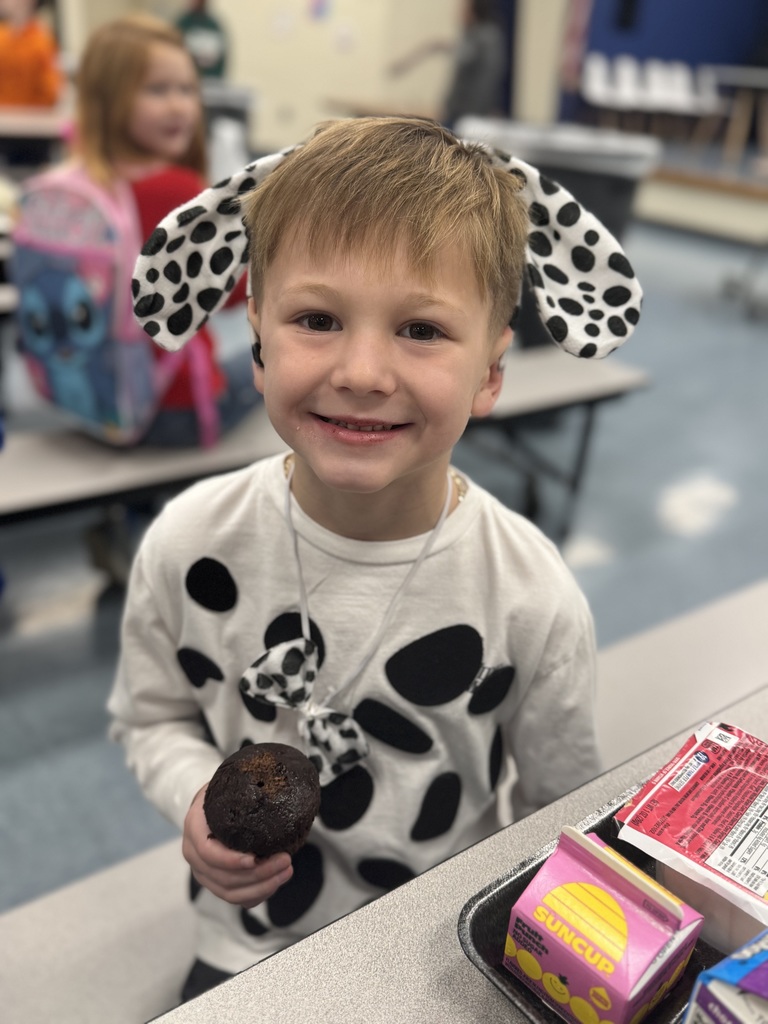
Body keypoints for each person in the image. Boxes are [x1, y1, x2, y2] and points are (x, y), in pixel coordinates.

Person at [109, 115, 644, 1003]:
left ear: (491, 371)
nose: (361, 370)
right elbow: (149, 717)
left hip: (432, 956)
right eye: (317, 319)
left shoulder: (528, 595)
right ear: (258, 338)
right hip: (245, 942)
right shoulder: (190, 541)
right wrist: (194, 798)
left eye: (421, 330)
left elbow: (557, 816)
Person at [74, 13, 257, 448]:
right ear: (110, 99)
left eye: (187, 89)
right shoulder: (175, 190)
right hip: (171, 408)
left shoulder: (81, 182)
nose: (179, 106)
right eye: (158, 90)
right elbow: (233, 294)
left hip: (89, 399)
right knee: (276, 367)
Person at [388, 0, 507, 129]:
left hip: (471, 114)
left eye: (464, 9)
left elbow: (469, 57)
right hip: (461, 112)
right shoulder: (475, 34)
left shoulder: (486, 36)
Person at [0, 0, 63, 165]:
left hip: (34, 131)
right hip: (4, 127)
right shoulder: (3, 36)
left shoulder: (42, 40)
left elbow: (51, 91)